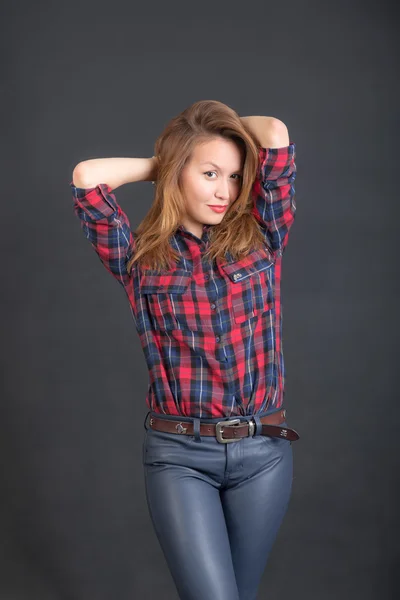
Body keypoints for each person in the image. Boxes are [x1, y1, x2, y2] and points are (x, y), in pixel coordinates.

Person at [70, 99, 300, 600]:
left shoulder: (264, 235)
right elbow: (88, 177)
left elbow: (275, 132)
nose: (225, 190)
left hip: (264, 454)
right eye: (210, 173)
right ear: (179, 174)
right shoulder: (139, 258)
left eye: (236, 176)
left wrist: (212, 148)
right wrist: (167, 162)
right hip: (179, 457)